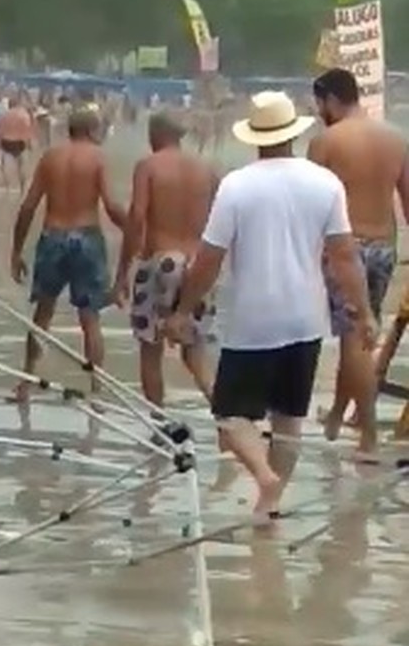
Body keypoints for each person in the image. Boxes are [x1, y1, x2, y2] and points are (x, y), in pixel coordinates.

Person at [165, 92, 373, 523]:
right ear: (293, 134)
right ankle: (269, 506)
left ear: (255, 137)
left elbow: (209, 258)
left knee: (228, 414)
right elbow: (345, 256)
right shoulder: (325, 183)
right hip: (306, 318)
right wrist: (365, 312)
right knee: (288, 419)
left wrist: (184, 309)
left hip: (254, 319)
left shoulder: (237, 186)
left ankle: (263, 477)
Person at [308, 67, 409, 459]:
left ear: (332, 100)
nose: (318, 111)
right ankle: (336, 414)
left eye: (319, 103)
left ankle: (367, 433)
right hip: (384, 246)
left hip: (344, 249)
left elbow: (310, 205)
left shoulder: (326, 142)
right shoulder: (396, 139)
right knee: (360, 334)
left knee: (354, 341)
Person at [9, 109, 125, 402]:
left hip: (53, 237)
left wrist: (16, 250)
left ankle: (25, 383)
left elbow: (28, 206)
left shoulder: (51, 157)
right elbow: (111, 206)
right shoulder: (98, 158)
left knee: (42, 315)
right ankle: (96, 390)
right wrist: (136, 230)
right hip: (86, 238)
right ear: (93, 130)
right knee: (90, 319)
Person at [114, 111, 219, 407]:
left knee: (151, 348)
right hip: (198, 264)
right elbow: (221, 223)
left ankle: (159, 424)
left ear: (155, 135)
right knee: (195, 351)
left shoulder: (148, 166)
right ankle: (225, 416)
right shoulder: (207, 170)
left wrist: (122, 272)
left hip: (161, 261)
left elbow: (137, 217)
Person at [0, 96, 34, 193]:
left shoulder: (5, 115)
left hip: (6, 142)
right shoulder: (23, 114)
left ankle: (8, 188)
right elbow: (27, 130)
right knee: (21, 166)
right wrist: (29, 144)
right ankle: (22, 188)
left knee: (7, 166)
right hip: (20, 142)